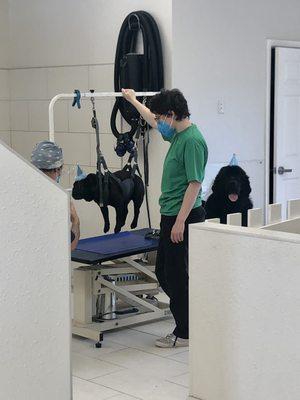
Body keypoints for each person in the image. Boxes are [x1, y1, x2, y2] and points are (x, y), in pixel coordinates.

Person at [122, 88, 208, 348]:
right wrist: (133, 101)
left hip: (185, 216)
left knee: (176, 276)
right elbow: (150, 118)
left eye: (161, 118)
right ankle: (190, 320)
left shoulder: (192, 140)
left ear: (172, 115)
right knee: (165, 273)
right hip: (171, 215)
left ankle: (185, 332)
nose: (158, 124)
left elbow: (195, 184)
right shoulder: (178, 135)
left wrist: (180, 221)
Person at [31, 140, 80, 251]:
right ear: (57, 169)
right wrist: (75, 220)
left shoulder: (20, 192)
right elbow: (69, 247)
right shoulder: (54, 200)